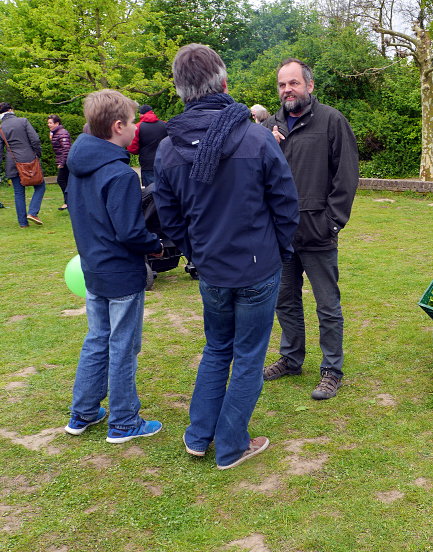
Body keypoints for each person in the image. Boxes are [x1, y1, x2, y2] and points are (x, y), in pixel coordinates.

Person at [153, 44, 299, 470]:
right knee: (245, 354)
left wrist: (198, 252)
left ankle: (200, 436)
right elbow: (286, 205)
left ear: (181, 91)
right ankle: (229, 444)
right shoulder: (253, 135)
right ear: (223, 83)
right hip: (248, 268)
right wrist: (276, 250)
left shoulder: (170, 147)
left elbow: (170, 217)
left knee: (218, 348)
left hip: (220, 268)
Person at [64, 89, 164, 444]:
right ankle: (124, 422)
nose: (136, 128)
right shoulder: (119, 175)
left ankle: (84, 412)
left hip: (93, 268)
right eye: (133, 122)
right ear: (118, 126)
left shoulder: (77, 164)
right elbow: (131, 232)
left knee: (97, 339)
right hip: (120, 273)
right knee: (122, 345)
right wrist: (156, 247)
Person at [262, 58, 359, 401]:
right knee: (284, 300)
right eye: (282, 85)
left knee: (327, 305)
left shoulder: (331, 121)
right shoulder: (269, 126)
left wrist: (331, 222)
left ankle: (332, 369)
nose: (287, 90)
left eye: (293, 83)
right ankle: (291, 359)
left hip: (317, 232)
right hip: (280, 235)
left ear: (309, 86)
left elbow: (346, 176)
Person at [0, 102, 45, 227]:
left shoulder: (1, 127)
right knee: (40, 186)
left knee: (19, 192)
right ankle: (32, 212)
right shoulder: (23, 121)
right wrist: (37, 154)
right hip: (28, 159)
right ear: (11, 110)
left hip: (12, 162)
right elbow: (35, 139)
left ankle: (23, 223)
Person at [127, 104, 167, 187]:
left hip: (147, 165)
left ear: (141, 114)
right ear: (152, 112)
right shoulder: (165, 124)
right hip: (165, 162)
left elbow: (132, 148)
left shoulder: (137, 127)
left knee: (150, 193)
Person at [47, 114, 71, 210]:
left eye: (50, 123)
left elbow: (66, 149)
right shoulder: (55, 133)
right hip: (64, 160)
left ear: (57, 123)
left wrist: (62, 162)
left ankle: (68, 202)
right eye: (48, 123)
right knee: (65, 181)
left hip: (66, 161)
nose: (49, 125)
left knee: (61, 180)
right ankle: (68, 202)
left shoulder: (62, 133)